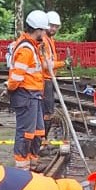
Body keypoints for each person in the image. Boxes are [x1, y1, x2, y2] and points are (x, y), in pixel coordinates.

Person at [7, 10, 49, 169]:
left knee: (38, 131)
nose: (45, 34)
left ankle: (32, 162)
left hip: (34, 96)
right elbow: (16, 77)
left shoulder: (34, 47)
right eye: (43, 31)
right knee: (25, 132)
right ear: (37, 30)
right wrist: (10, 89)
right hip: (26, 95)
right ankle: (22, 167)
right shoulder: (26, 50)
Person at [41, 10, 61, 142]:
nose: (53, 28)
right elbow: (46, 64)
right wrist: (63, 63)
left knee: (48, 112)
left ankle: (42, 139)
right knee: (47, 112)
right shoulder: (44, 41)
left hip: (49, 79)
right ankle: (42, 139)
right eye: (51, 25)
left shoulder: (50, 40)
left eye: (56, 26)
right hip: (44, 79)